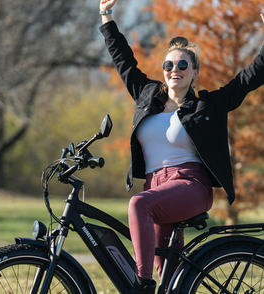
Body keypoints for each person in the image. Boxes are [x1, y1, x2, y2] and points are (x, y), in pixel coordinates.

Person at [99, 1, 264, 293]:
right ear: (163, 71)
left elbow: (249, 77)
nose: (175, 69)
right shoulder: (147, 95)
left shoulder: (207, 105)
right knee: (171, 279)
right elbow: (123, 60)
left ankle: (142, 284)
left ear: (194, 72)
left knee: (139, 205)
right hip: (156, 188)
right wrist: (106, 16)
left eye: (183, 64)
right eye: (169, 65)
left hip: (190, 185)